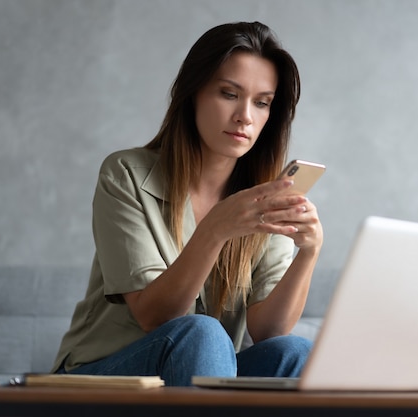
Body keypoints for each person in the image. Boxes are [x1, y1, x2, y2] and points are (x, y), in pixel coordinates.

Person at [51, 21, 323, 387]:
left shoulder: (263, 197)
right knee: (203, 334)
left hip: (203, 373)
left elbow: (268, 330)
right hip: (103, 376)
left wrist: (308, 252)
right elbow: (155, 317)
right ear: (193, 93)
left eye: (261, 103)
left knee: (296, 352)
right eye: (229, 94)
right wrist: (216, 230)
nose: (245, 115)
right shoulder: (126, 174)